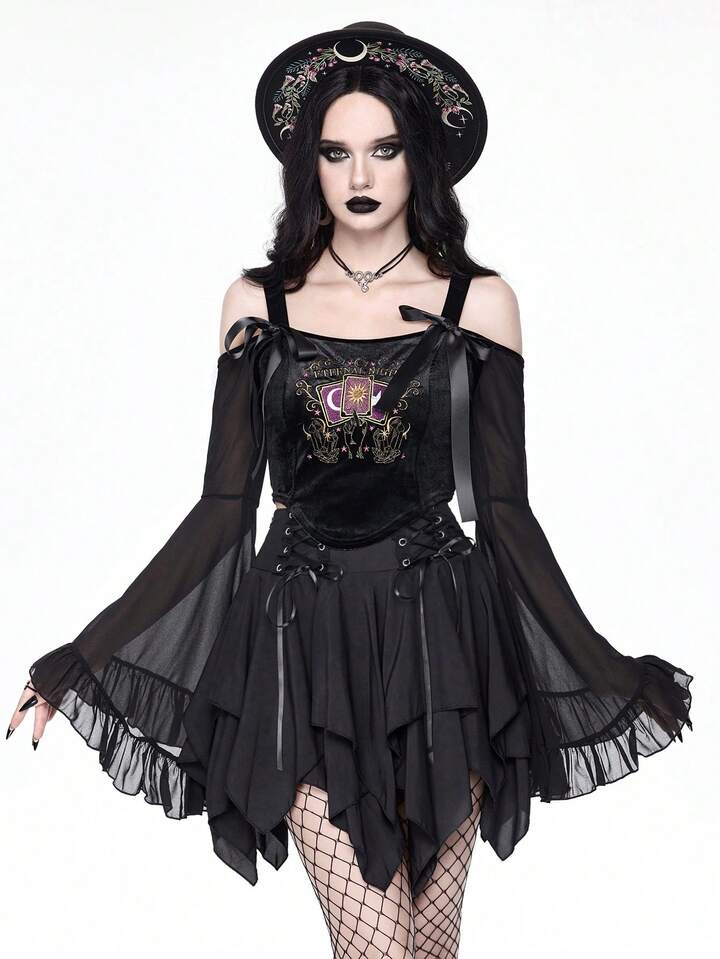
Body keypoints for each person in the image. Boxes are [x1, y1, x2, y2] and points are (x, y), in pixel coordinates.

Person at [8, 22, 693, 959]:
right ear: (310, 167)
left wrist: (604, 667)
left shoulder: (479, 303)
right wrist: (85, 656)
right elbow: (222, 509)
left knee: (429, 946)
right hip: (298, 641)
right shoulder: (259, 303)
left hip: (442, 643)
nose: (360, 175)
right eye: (336, 153)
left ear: (423, 160)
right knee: (376, 947)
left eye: (385, 149)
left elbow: (505, 514)